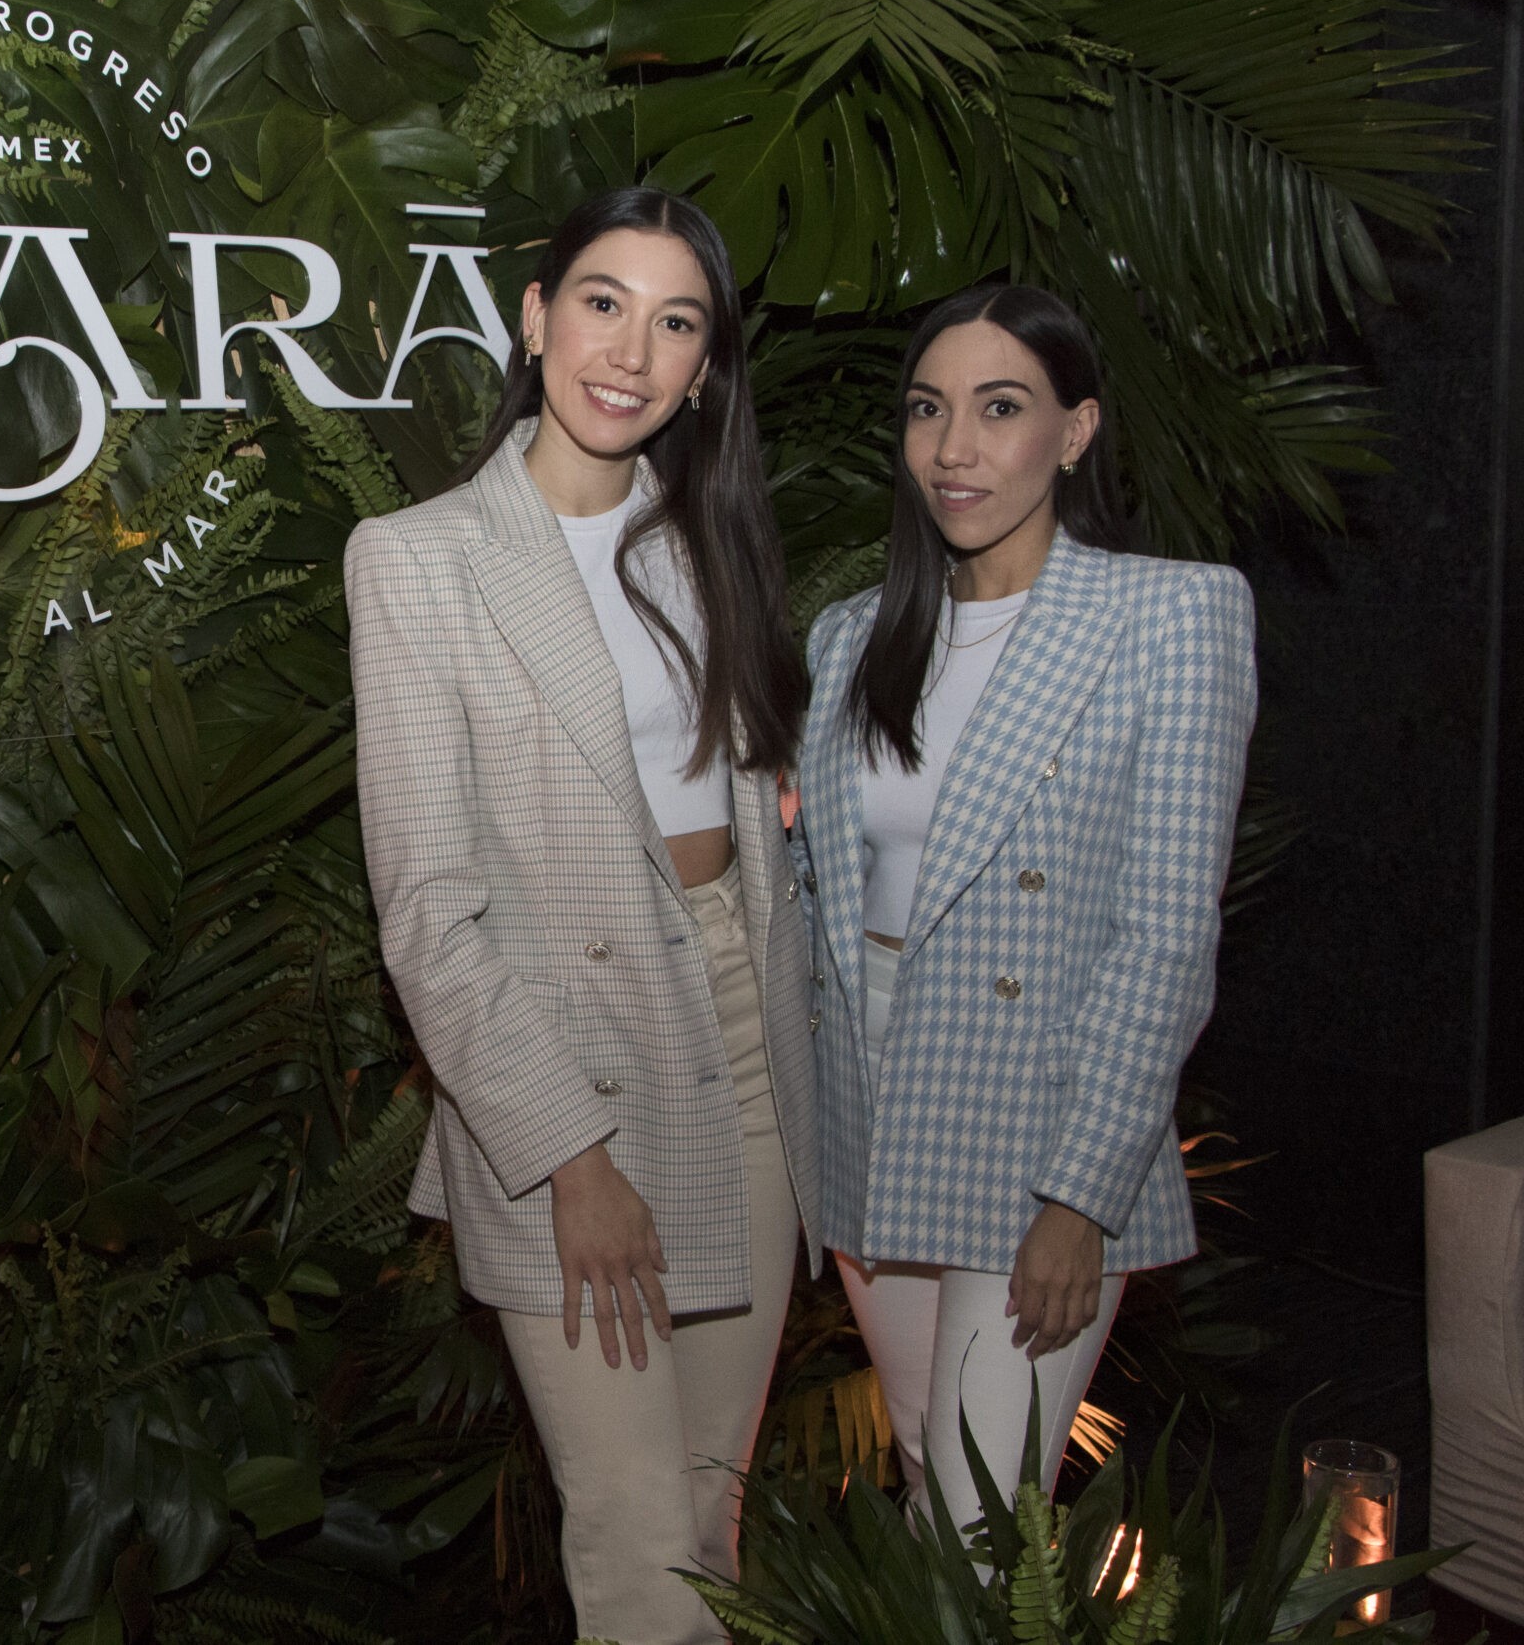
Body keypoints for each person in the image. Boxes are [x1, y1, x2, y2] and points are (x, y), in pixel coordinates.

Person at [345, 187, 823, 1645]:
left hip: (748, 1039)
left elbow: (751, 809)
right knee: (631, 1539)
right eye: (604, 302)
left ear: (704, 366)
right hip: (568, 1072)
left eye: (678, 320)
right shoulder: (419, 557)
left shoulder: (712, 540)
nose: (634, 348)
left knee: (709, 1506)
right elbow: (428, 913)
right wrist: (567, 1150)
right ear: (535, 315)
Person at [793, 284, 1257, 1536]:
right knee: (926, 1491)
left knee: (977, 1536)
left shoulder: (1170, 615)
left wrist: (1082, 1196)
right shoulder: (850, 639)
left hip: (1036, 1122)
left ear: (1076, 428)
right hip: (873, 1107)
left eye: (1003, 409)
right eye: (929, 411)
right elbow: (819, 902)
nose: (956, 448)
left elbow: (1165, 936)